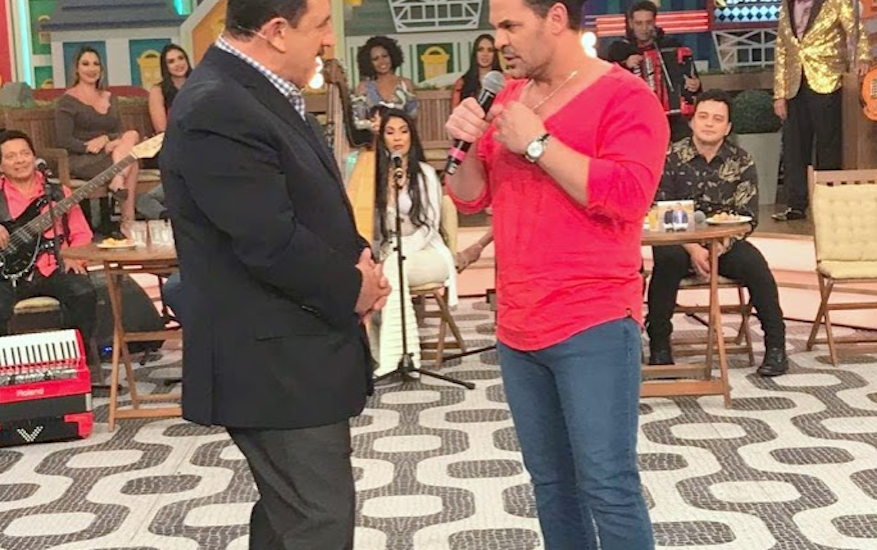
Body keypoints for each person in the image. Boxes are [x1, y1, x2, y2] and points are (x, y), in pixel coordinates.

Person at [160, 0, 390, 547]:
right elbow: (268, 240)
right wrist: (352, 287)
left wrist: (359, 259)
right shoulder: (218, 107)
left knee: (291, 519)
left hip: (294, 349)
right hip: (273, 360)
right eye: (321, 25)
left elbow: (312, 202)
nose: (329, 40)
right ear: (277, 31)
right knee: (317, 523)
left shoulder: (254, 92)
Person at [445, 0, 668, 547]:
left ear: (556, 18)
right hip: (517, 323)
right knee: (550, 485)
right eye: (495, 28)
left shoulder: (626, 97)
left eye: (511, 26)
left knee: (608, 485)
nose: (500, 41)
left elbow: (628, 196)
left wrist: (539, 144)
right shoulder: (509, 97)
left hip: (593, 320)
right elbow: (472, 197)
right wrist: (466, 147)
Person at [647, 89, 788, 376]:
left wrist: (716, 247)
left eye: (717, 119)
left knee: (756, 265)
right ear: (692, 121)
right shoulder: (670, 157)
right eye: (703, 117)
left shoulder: (741, 160)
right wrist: (693, 248)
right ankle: (660, 346)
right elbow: (658, 208)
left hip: (724, 245)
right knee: (667, 261)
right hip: (678, 242)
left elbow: (748, 216)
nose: (709, 123)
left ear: (728, 127)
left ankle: (776, 347)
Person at [370, 108, 457, 376]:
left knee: (392, 267)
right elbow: (376, 229)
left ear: (412, 136)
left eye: (403, 131)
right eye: (390, 132)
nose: (398, 138)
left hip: (427, 252)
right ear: (382, 138)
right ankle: (392, 355)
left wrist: (399, 250)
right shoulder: (374, 177)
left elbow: (430, 226)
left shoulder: (425, 174)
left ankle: (392, 359)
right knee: (380, 273)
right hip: (391, 253)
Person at [771, 0, 870, 221]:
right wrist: (779, 94)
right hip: (794, 85)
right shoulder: (786, 6)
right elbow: (781, 48)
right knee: (794, 146)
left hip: (828, 80)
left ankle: (829, 200)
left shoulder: (835, 2)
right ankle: (796, 205)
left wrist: (863, 57)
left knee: (828, 145)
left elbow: (856, 31)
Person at [0, 130, 96, 346]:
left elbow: (81, 233)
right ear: (1, 166)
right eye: (11, 156)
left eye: (25, 153)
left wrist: (74, 256)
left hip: (54, 267)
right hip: (6, 274)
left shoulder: (58, 192)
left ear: (34, 157)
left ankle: (76, 354)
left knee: (83, 292)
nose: (20, 160)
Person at [54, 47, 140, 236]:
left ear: (101, 69)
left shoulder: (110, 97)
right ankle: (128, 222)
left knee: (132, 135)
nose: (91, 69)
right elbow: (63, 139)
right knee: (131, 161)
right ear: (76, 69)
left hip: (111, 152)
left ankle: (118, 180)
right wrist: (88, 147)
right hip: (81, 158)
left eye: (96, 64)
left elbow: (120, 131)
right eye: (85, 64)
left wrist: (107, 140)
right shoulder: (67, 101)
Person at [605, 0, 701, 141]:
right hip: (634, 119)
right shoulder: (619, 49)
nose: (644, 28)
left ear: (655, 22)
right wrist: (624, 65)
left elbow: (691, 78)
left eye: (648, 23)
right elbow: (606, 83)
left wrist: (695, 84)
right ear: (631, 24)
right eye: (639, 23)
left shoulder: (670, 44)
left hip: (671, 119)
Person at [139, 44, 193, 221]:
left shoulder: (201, 84)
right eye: (171, 61)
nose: (178, 64)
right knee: (145, 201)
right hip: (170, 146)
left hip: (202, 144)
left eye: (180, 58)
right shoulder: (158, 91)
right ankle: (168, 216)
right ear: (165, 66)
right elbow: (162, 129)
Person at [352, 35, 418, 131]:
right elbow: (358, 122)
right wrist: (376, 125)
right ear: (369, 62)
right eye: (375, 59)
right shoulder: (363, 87)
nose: (381, 61)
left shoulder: (405, 84)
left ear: (392, 56)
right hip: (373, 138)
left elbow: (413, 118)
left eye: (385, 56)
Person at [452, 34, 503, 108]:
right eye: (480, 50)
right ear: (475, 54)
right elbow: (456, 110)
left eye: (490, 50)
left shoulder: (505, 80)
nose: (485, 54)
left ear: (495, 54)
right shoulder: (462, 82)